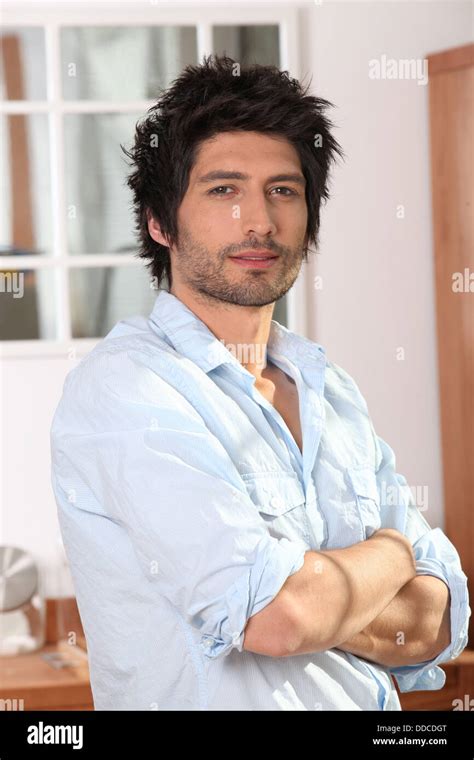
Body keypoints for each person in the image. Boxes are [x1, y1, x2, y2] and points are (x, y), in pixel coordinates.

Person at [50, 55, 470, 711]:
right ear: (161, 223)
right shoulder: (127, 390)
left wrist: (316, 591)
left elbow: (437, 620)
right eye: (223, 190)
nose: (260, 222)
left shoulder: (333, 391)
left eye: (283, 190)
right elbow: (281, 619)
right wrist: (392, 552)